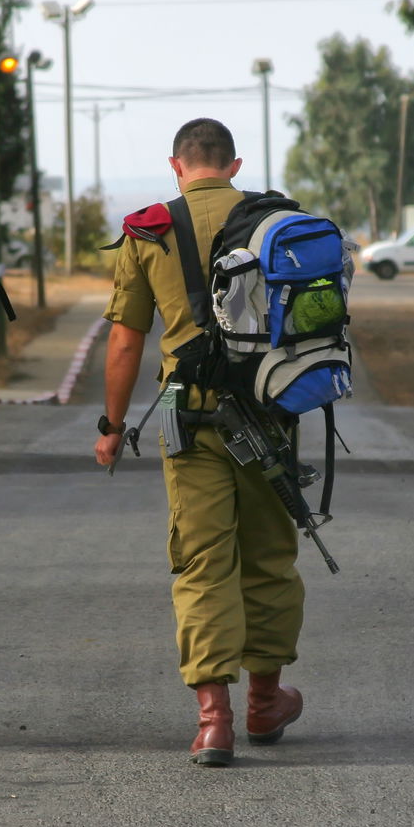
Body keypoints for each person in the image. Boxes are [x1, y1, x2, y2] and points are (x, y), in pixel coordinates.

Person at [94, 117, 305, 767]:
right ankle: (264, 701)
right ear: (234, 166)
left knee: (201, 561)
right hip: (269, 414)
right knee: (268, 556)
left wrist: (112, 427)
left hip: (184, 418)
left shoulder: (149, 230)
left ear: (176, 166)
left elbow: (125, 341)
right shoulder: (274, 221)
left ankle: (214, 720)